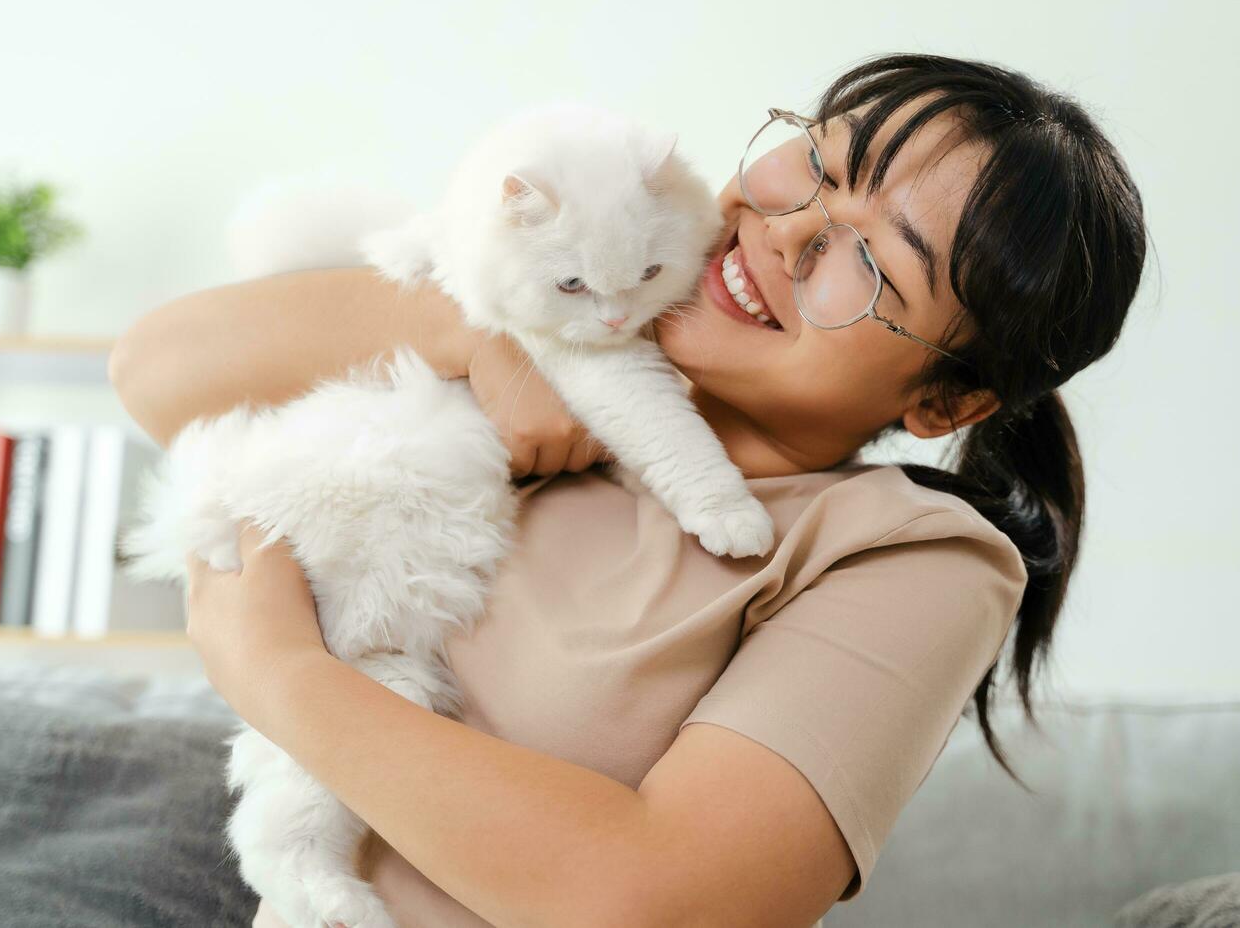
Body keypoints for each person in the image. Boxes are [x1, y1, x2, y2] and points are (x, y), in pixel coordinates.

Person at [110, 53, 1146, 928]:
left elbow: (657, 897)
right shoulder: (561, 308)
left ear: (946, 402)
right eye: (820, 163)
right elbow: (155, 372)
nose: (787, 231)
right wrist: (474, 335)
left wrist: (278, 669)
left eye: (871, 259)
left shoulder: (908, 556)